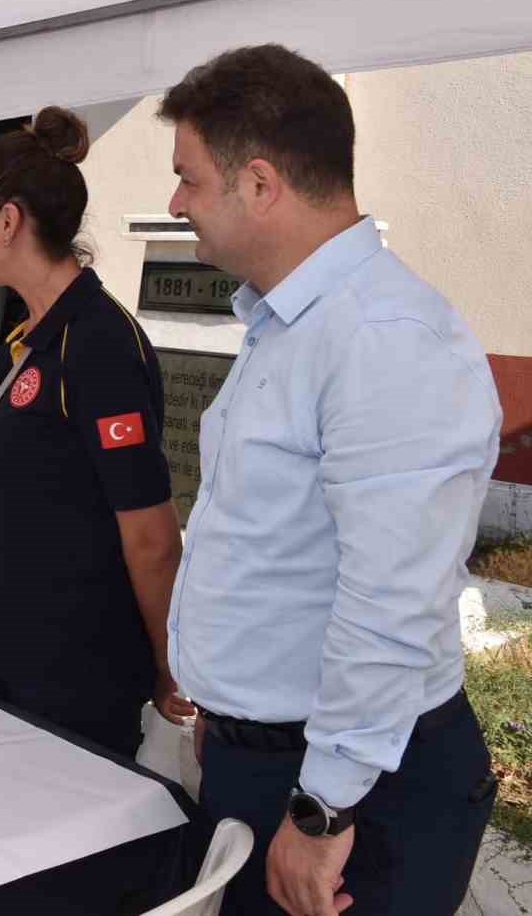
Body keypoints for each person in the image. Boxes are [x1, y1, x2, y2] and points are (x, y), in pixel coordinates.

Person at [159, 45, 502, 916]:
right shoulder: (292, 323)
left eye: (190, 180)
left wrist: (320, 808)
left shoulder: (385, 337)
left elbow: (390, 599)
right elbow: (270, 545)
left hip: (355, 793)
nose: (174, 204)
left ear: (262, 183)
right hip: (278, 760)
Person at [0, 107, 188, 759]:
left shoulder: (100, 343)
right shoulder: (25, 337)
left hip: (79, 679)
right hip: (18, 662)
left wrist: (171, 665)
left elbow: (150, 534)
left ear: (9, 220)